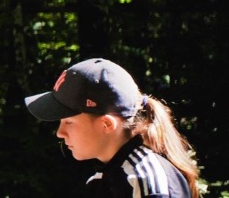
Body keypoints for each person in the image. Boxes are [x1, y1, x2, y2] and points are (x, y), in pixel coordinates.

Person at [25, 58, 201, 198]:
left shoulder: (143, 180)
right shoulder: (102, 179)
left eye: (69, 122)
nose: (60, 133)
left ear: (107, 124)